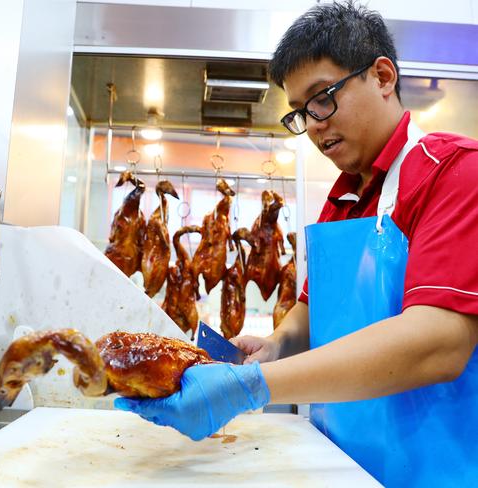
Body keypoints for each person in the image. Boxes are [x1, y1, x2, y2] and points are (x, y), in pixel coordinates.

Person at [115, 2, 478, 486]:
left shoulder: (453, 170)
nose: (312, 126)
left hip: (433, 471)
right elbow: (311, 312)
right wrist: (273, 345)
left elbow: (440, 342)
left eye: (322, 98)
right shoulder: (344, 198)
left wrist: (252, 386)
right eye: (299, 114)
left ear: (383, 76)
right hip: (339, 463)